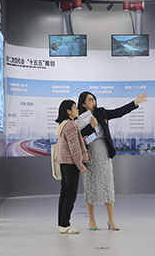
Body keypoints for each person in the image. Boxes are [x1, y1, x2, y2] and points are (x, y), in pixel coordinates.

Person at [75, 91, 148, 231]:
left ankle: (111, 220)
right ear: (83, 104)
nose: (93, 102)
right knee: (90, 184)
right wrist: (91, 126)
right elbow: (79, 138)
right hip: (89, 153)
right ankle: (91, 220)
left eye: (94, 99)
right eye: (90, 100)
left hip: (104, 150)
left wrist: (135, 103)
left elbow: (118, 112)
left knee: (108, 184)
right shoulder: (78, 120)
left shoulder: (101, 112)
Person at [54, 99, 90, 234]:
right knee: (70, 195)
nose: (77, 110)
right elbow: (74, 149)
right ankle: (65, 224)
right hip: (71, 164)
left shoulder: (63, 125)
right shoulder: (70, 126)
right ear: (68, 111)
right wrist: (81, 165)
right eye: (74, 108)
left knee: (64, 194)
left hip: (64, 164)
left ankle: (62, 224)